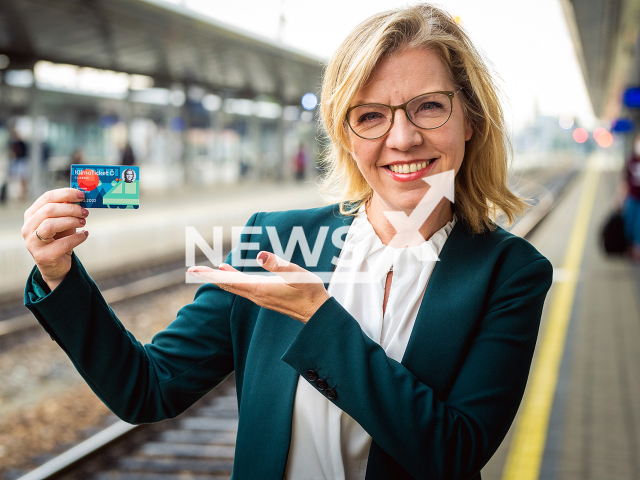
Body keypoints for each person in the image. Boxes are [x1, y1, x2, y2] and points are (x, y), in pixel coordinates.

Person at [21, 5, 552, 479]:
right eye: (370, 116)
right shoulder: (274, 240)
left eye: (429, 107)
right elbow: (149, 389)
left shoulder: (510, 271)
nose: (402, 138)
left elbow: (452, 454)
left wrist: (319, 320)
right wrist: (58, 275)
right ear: (346, 137)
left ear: (471, 120)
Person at [616, 132, 640, 262]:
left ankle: (637, 249)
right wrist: (619, 198)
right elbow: (625, 180)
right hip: (631, 197)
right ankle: (629, 247)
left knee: (639, 225)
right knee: (629, 223)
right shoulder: (631, 160)